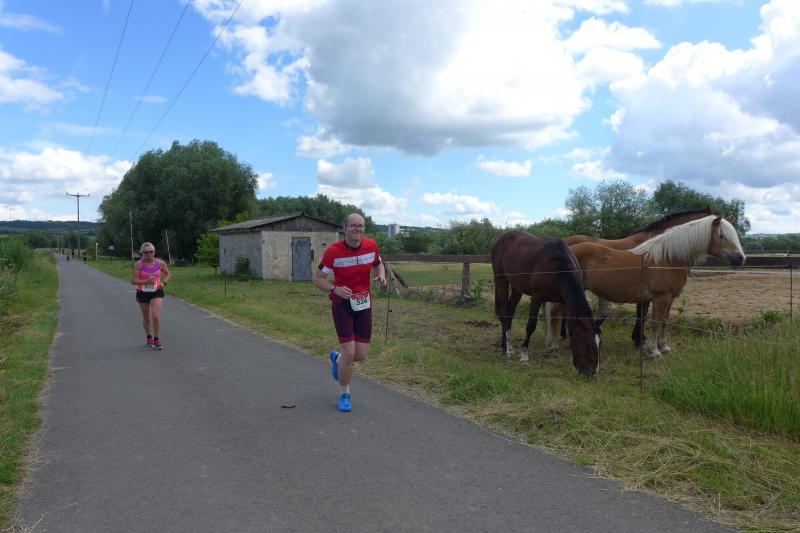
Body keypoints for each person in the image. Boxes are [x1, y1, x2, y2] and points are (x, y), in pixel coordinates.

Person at [313, 213, 386, 412]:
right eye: (353, 225)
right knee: (350, 352)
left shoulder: (371, 246)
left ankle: (337, 359)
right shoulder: (333, 252)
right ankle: (345, 393)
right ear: (344, 228)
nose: (357, 229)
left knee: (360, 355)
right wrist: (334, 289)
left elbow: (378, 263)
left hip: (364, 304)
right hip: (342, 306)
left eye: (361, 225)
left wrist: (380, 275)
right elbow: (318, 278)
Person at [131, 242, 172, 350]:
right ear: (142, 253)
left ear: (154, 251)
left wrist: (163, 283)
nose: (149, 254)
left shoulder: (160, 263)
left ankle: (156, 339)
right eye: (146, 252)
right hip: (142, 291)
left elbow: (168, 274)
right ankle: (149, 337)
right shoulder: (139, 264)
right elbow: (133, 281)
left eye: (151, 251)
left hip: (156, 291)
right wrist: (146, 281)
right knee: (146, 316)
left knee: (155, 316)